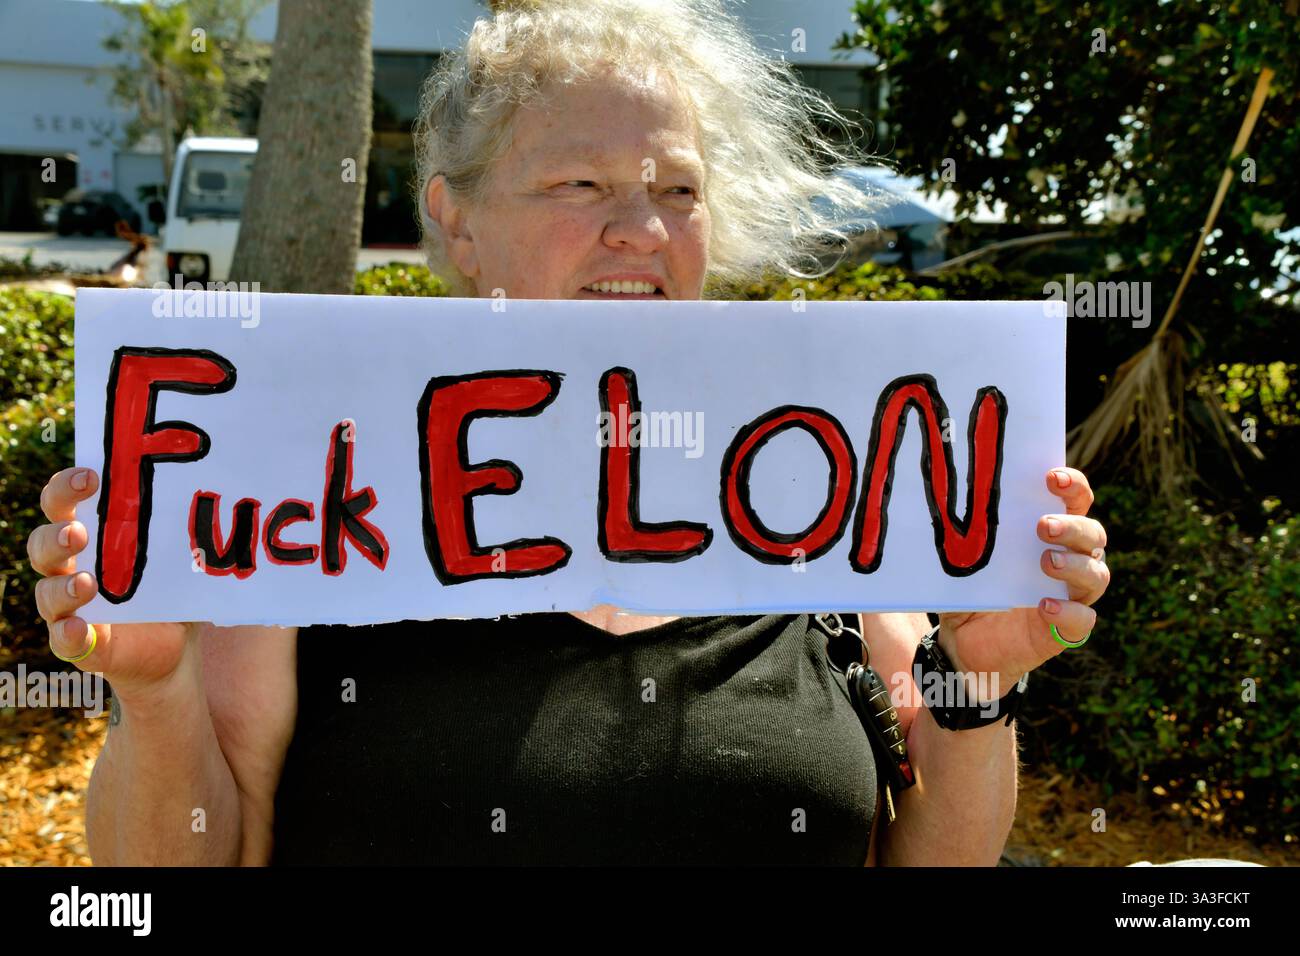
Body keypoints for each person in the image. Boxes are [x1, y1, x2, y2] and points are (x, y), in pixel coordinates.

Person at [25, 0, 1110, 865]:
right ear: (454, 215)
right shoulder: (308, 495)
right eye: (580, 182)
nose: (638, 227)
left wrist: (977, 675)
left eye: (676, 189)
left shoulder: (827, 494)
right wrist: (157, 691)